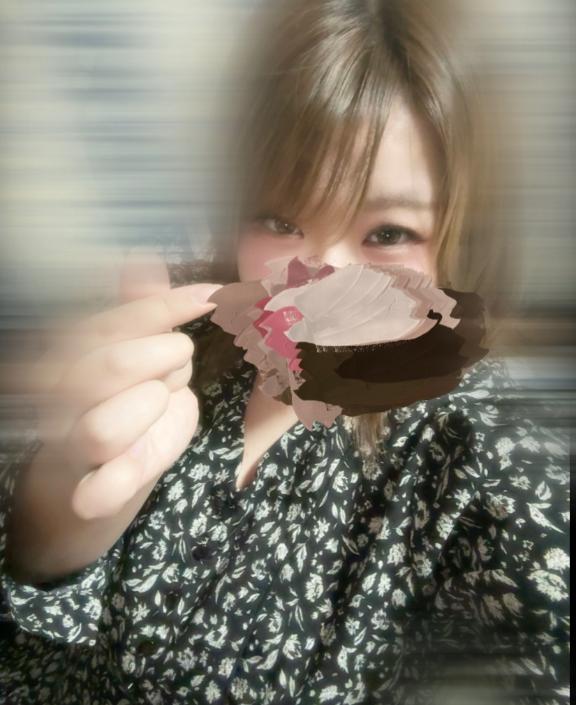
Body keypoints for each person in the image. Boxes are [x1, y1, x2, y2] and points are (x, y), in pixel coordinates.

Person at [0, 1, 569, 704]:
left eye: (388, 233)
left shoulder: (482, 447)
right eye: (280, 219)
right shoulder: (176, 310)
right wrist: (55, 520)